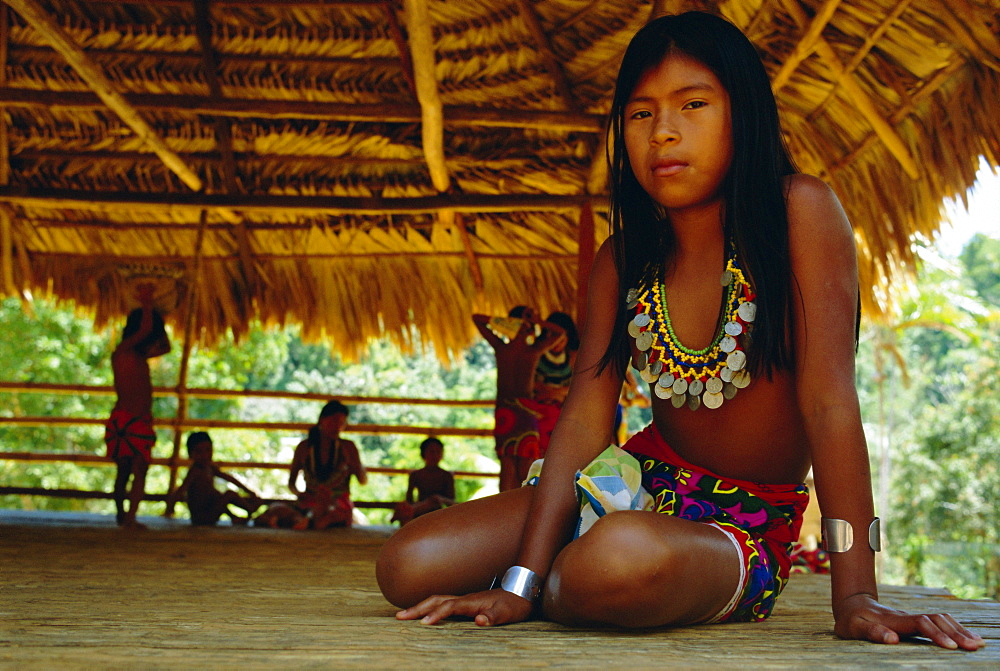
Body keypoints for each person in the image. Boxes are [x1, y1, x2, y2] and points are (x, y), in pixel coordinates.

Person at [375, 12, 986, 652]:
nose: (663, 131)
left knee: (619, 557)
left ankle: (575, 579)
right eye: (640, 115)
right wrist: (521, 582)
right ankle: (557, 580)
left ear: (742, 114)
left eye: (692, 104)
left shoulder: (798, 214)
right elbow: (585, 420)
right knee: (407, 565)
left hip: (742, 526)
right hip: (631, 485)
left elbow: (829, 400)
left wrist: (856, 594)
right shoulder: (623, 258)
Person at [473, 306, 566, 491]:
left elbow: (478, 318)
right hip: (525, 412)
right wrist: (535, 320)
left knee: (509, 465)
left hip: (506, 412)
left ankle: (508, 512)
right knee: (523, 466)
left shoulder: (503, 348)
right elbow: (559, 332)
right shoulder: (532, 350)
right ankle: (519, 511)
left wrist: (512, 324)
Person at [104, 284, 170, 529]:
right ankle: (122, 514)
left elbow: (166, 347)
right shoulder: (122, 353)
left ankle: (130, 516)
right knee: (124, 471)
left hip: (138, 420)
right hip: (126, 419)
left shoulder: (138, 356)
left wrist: (158, 322)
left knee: (140, 469)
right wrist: (147, 302)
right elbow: (144, 330)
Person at [283, 400, 367, 530]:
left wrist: (355, 465)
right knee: (280, 509)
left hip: (337, 503)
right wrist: (299, 494)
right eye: (334, 421)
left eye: (341, 423)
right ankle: (314, 520)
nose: (337, 427)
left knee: (334, 512)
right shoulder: (305, 447)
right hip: (311, 500)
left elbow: (363, 480)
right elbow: (291, 483)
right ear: (322, 420)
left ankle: (312, 521)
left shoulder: (348, 447)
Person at [164, 432, 263, 526]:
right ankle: (250, 509)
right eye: (199, 451)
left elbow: (229, 478)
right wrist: (170, 507)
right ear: (191, 454)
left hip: (210, 511)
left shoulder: (210, 468)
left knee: (216, 493)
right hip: (201, 517)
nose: (205, 455)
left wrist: (249, 491)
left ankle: (235, 517)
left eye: (208, 450)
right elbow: (182, 489)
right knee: (227, 494)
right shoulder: (195, 471)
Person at [392, 437, 456, 525]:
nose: (435, 455)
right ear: (423, 454)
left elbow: (452, 503)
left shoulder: (447, 476)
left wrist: (439, 499)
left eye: (438, 452)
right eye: (431, 452)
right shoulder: (415, 475)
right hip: (419, 514)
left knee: (433, 502)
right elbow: (409, 500)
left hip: (439, 515)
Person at [532, 311, 580, 407]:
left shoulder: (573, 358)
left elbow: (579, 387)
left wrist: (552, 392)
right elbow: (531, 384)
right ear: (546, 335)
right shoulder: (536, 354)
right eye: (553, 338)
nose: (556, 343)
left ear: (568, 338)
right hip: (538, 407)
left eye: (561, 339)